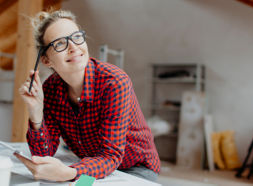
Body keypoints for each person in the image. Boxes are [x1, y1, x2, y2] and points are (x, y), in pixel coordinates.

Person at [17, 10, 160, 182]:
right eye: (60, 43)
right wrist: (36, 112)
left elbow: (110, 155)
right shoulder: (50, 90)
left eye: (77, 37)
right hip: (92, 168)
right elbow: (43, 155)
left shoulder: (114, 82)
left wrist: (68, 173)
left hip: (135, 169)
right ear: (46, 60)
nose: (73, 47)